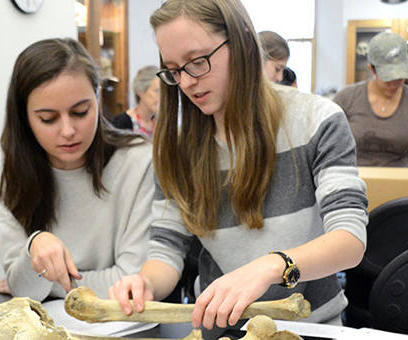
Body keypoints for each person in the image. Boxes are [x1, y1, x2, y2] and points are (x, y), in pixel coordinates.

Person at [109, 0, 368, 331]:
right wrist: (145, 283)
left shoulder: (316, 120)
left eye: (198, 62)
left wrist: (270, 266)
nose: (186, 82)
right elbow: (167, 248)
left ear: (244, 43)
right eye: (174, 70)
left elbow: (349, 240)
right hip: (221, 330)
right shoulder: (178, 147)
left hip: (310, 328)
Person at [0, 38, 154, 302]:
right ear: (24, 117)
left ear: (98, 97)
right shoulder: (8, 169)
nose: (67, 131)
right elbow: (21, 287)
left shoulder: (138, 161)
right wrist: (35, 244)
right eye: (48, 119)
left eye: (80, 112)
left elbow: (130, 281)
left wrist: (42, 279)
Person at [334, 32, 408, 167]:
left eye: (399, 78)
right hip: (356, 179)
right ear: (372, 69)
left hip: (401, 181)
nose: (394, 84)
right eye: (387, 79)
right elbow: (327, 146)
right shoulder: (346, 98)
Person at [112, 66, 160, 138]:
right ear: (141, 92)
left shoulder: (162, 123)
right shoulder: (121, 123)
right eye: (157, 91)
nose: (162, 97)